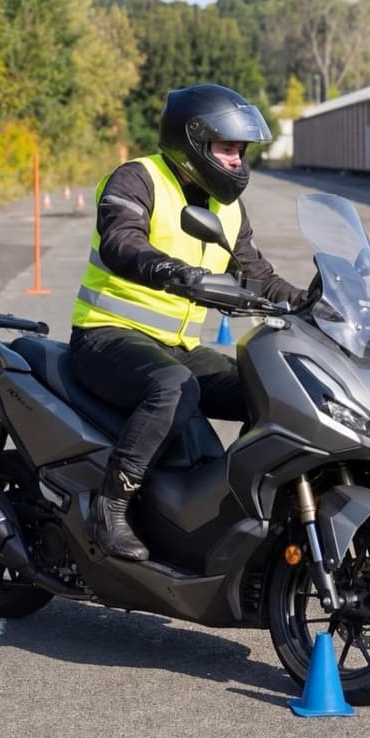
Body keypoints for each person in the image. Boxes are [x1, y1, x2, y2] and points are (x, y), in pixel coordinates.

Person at [69, 84, 307, 562]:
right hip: (106, 336)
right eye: (228, 149)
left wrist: (312, 300)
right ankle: (110, 505)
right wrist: (169, 269)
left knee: (269, 390)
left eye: (241, 152)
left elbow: (256, 274)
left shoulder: (226, 207)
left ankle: (231, 509)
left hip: (176, 344)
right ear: (192, 142)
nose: (238, 161)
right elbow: (121, 239)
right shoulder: (138, 179)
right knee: (175, 388)